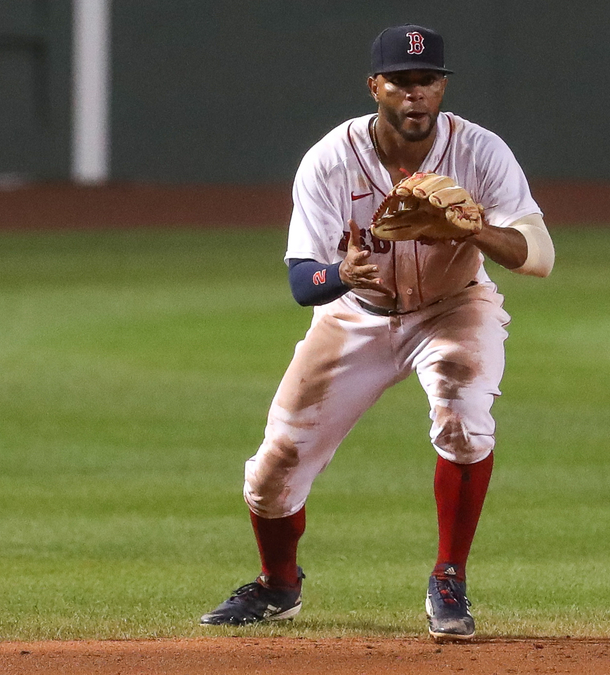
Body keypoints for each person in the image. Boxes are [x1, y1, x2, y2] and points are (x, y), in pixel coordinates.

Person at [199, 23, 555, 641]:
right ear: (375, 86)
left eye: (428, 81)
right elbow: (301, 283)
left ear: (442, 86)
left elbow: (539, 256)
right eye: (402, 81)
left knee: (463, 416)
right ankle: (278, 585)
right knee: (270, 472)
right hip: (355, 315)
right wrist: (341, 271)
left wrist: (473, 231)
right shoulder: (330, 161)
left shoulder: (481, 151)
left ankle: (449, 577)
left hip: (452, 307)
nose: (416, 94)